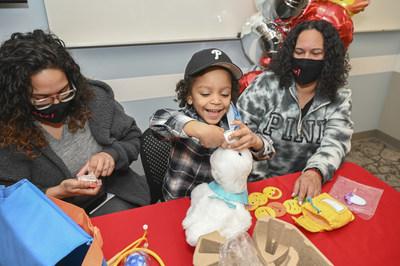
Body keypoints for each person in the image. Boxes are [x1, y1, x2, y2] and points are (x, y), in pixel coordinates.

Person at [0, 30, 150, 216]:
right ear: (17, 96)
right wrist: (57, 193)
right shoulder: (7, 129)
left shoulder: (94, 98)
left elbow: (132, 136)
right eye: (42, 98)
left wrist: (111, 155)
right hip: (50, 214)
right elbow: (8, 196)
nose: (57, 102)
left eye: (64, 92)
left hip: (112, 197)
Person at [237, 20, 353, 203]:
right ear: (290, 54)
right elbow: (240, 133)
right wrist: (264, 185)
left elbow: (336, 143)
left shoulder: (338, 97)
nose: (306, 59)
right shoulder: (266, 84)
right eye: (299, 52)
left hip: (306, 184)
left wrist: (315, 172)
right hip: (258, 185)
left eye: (315, 53)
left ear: (328, 58)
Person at [149, 48, 275, 201]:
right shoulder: (185, 118)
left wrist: (255, 141)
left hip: (220, 203)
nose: (216, 101)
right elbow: (158, 120)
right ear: (189, 96)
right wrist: (196, 128)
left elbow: (268, 151)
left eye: (224, 94)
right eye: (205, 94)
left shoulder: (233, 123)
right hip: (180, 204)